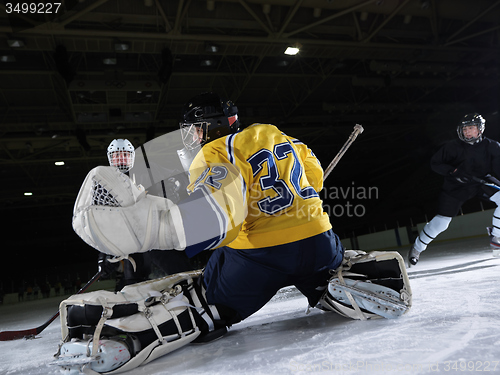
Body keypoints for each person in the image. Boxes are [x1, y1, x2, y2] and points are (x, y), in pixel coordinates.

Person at [64, 92, 410, 373]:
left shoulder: (213, 152)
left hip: (260, 258)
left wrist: (150, 229)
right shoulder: (275, 134)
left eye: (195, 129)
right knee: (325, 266)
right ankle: (343, 282)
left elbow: (217, 221)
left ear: (211, 128)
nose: (192, 137)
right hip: (320, 241)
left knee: (204, 297)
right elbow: (315, 176)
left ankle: (126, 337)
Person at [408, 113, 500, 266]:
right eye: (465, 129)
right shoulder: (452, 147)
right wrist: (453, 172)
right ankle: (417, 248)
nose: (467, 132)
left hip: (480, 182)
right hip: (455, 186)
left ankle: (496, 238)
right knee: (442, 223)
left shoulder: (492, 146)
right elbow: (435, 163)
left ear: (480, 129)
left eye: (471, 128)